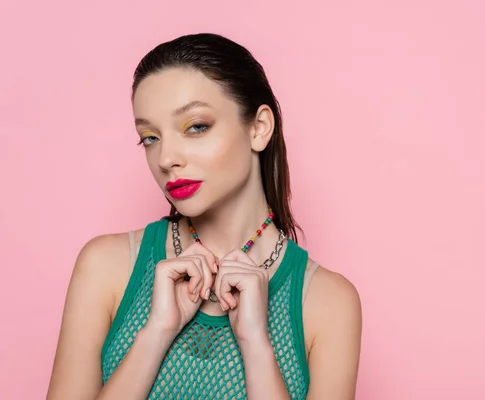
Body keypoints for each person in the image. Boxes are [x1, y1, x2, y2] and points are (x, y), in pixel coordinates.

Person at [47, 33, 362, 399]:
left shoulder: (328, 302)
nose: (166, 159)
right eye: (150, 137)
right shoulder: (106, 266)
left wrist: (256, 344)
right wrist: (157, 332)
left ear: (259, 128)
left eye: (195, 127)